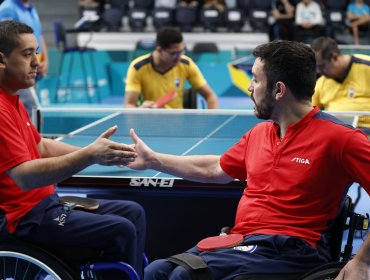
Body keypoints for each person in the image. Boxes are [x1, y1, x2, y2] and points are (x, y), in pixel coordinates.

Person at [127, 40, 370, 279]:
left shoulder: (341, 139)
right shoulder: (259, 134)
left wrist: (363, 261)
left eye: (255, 79)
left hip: (294, 249)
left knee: (185, 275)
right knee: (156, 271)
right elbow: (214, 168)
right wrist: (153, 160)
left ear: (279, 90)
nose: (250, 88)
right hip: (244, 242)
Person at [0, 20, 146, 278]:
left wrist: (97, 153)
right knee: (120, 229)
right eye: (26, 54)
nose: (37, 61)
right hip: (23, 219)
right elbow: (24, 176)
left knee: (133, 213)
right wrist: (90, 155)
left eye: (36, 51)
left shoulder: (11, 98)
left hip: (45, 205)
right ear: (1, 60)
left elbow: (41, 146)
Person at [124, 26, 219, 109]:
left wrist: (211, 121)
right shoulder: (138, 67)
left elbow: (211, 96)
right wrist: (140, 110)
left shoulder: (186, 64)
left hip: (178, 121)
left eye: (181, 51)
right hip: (150, 119)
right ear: (159, 50)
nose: (179, 57)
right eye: (174, 53)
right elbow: (128, 105)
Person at [311, 36, 370, 136]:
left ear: (335, 57)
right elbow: (309, 113)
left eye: (322, 66)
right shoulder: (321, 82)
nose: (319, 72)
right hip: (335, 135)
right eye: (316, 67)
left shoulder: (367, 66)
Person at [0, 0, 49, 120]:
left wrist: (45, 59)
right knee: (32, 110)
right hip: (16, 72)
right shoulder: (8, 7)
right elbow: (5, 41)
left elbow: (39, 34)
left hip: (30, 70)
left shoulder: (31, 8)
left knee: (32, 112)